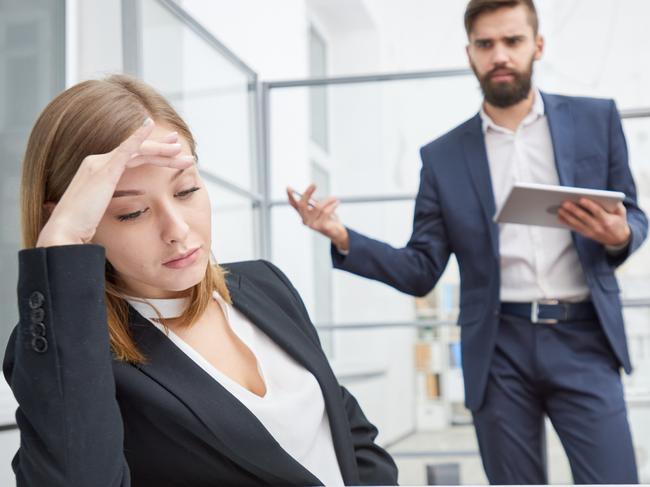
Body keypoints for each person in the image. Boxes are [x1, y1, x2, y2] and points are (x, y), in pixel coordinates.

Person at [288, 0, 647, 484]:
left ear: (537, 45)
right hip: (499, 348)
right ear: (470, 53)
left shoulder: (595, 120)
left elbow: (634, 217)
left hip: (584, 337)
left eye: (512, 41)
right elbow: (420, 270)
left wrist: (620, 235)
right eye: (486, 44)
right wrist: (342, 236)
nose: (499, 54)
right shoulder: (443, 158)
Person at [2, 74, 398, 487]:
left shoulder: (264, 285)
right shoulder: (73, 353)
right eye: (133, 212)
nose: (177, 229)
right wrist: (61, 245)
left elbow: (348, 431)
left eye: (186, 190)